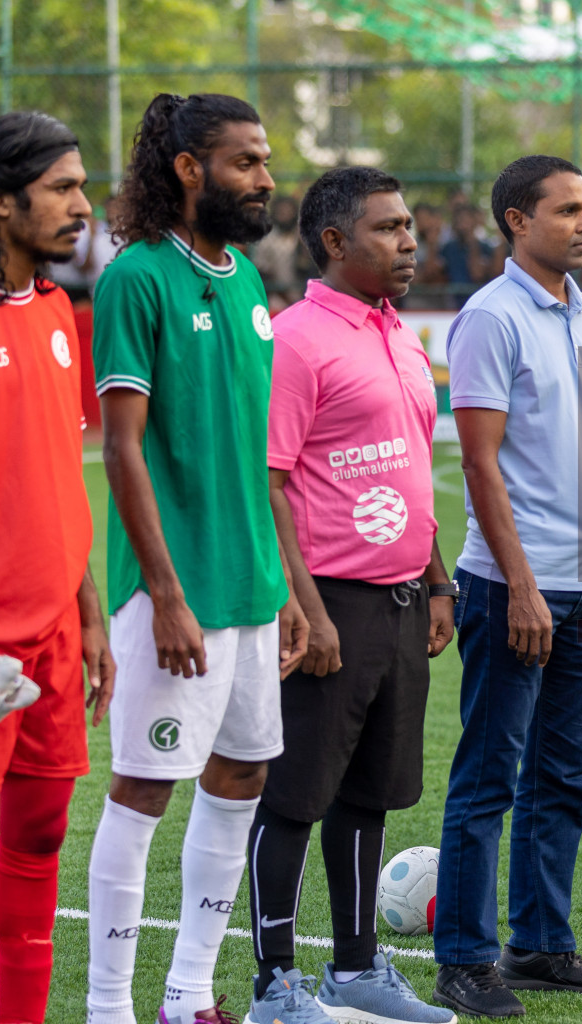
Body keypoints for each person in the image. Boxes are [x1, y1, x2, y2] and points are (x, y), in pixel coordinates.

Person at [84, 92, 309, 1024]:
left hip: (252, 588)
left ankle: (186, 995)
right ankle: (108, 1008)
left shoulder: (249, 281)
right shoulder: (136, 277)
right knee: (143, 787)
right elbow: (122, 449)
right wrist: (168, 594)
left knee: (243, 777)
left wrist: (288, 589)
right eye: (246, 162)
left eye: (264, 162)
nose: (265, 180)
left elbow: (255, 452)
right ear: (189, 168)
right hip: (171, 595)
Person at [244, 167, 459, 1024]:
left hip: (403, 597)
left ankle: (358, 971)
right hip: (329, 599)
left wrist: (437, 577)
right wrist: (307, 608)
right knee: (295, 793)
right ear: (335, 243)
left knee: (372, 792)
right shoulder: (295, 339)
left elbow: (409, 469)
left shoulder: (401, 334)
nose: (410, 241)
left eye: (410, 226)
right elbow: (267, 481)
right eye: (390, 228)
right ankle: (274, 984)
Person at [432, 154, 582, 1019]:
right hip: (512, 588)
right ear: (517, 221)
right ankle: (465, 962)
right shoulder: (489, 317)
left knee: (562, 773)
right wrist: (520, 586)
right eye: (567, 211)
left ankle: (541, 944)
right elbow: (479, 462)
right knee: (489, 777)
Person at [0, 110, 115, 1024]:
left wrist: (87, 612)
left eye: (81, 186)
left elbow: (57, 472)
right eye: (62, 188)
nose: (82, 206)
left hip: (54, 637)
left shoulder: (56, 312)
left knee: (42, 833)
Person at [252, 195, 309, 309]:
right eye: (281, 211)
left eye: (288, 211)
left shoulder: (301, 234)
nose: (284, 214)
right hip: (277, 295)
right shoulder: (267, 238)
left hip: (303, 290)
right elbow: (264, 271)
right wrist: (285, 296)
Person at [439, 199, 495, 306]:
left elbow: (477, 274)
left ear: (474, 221)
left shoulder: (485, 247)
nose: (461, 224)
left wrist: (472, 242)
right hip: (453, 302)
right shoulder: (448, 248)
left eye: (465, 219)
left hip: (478, 300)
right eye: (458, 220)